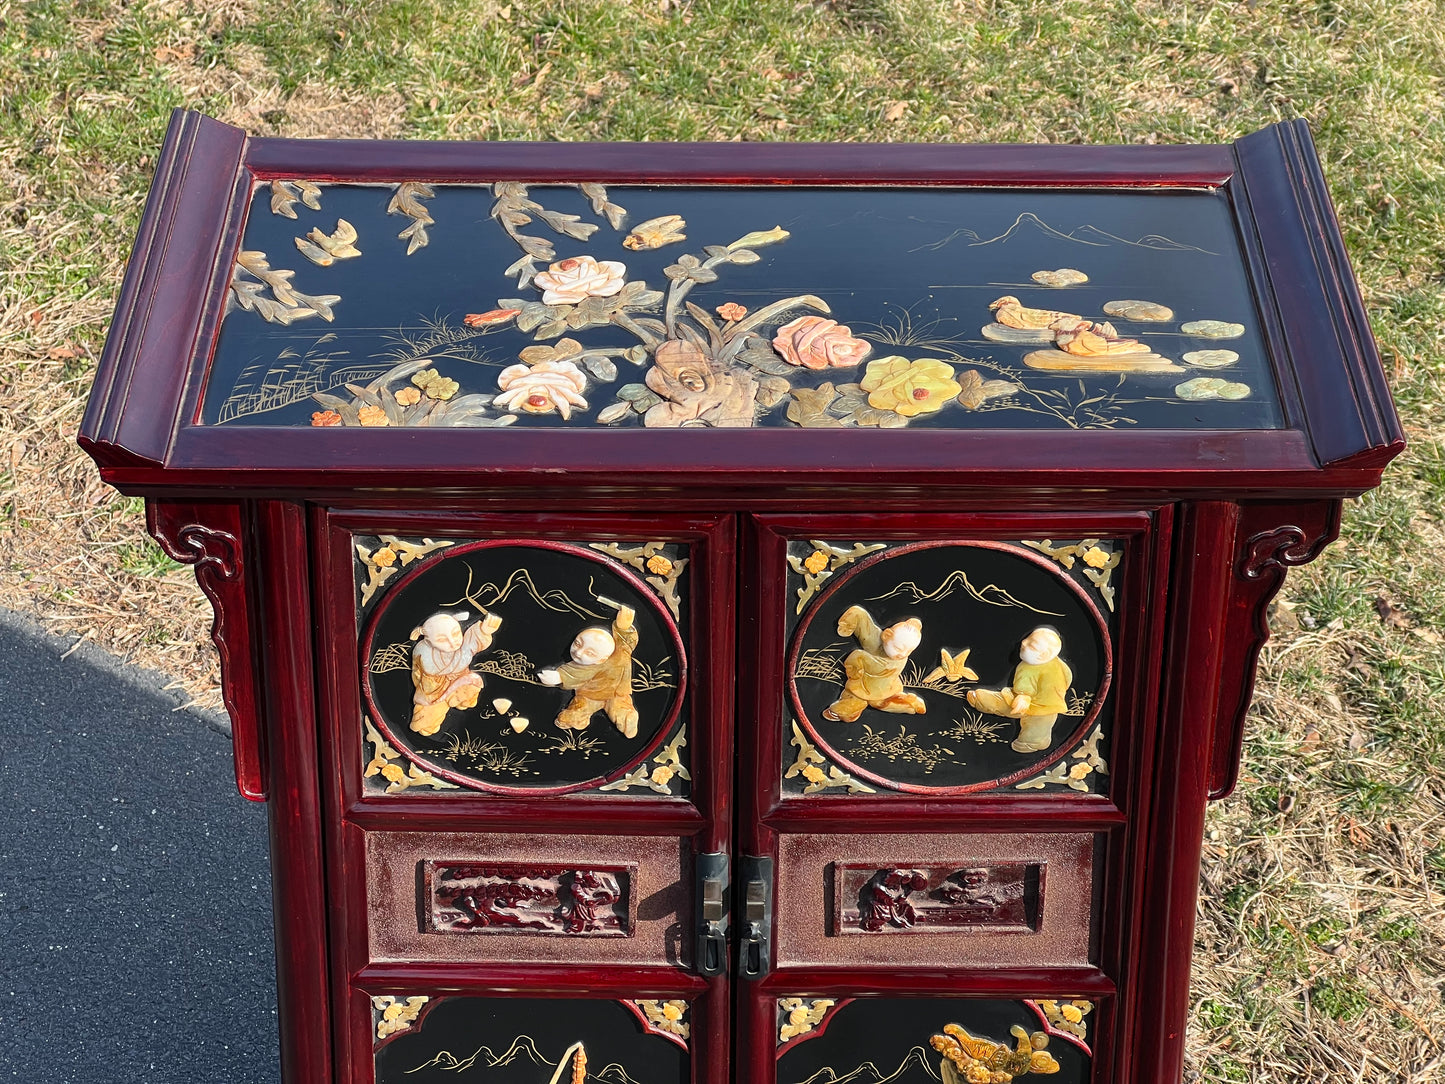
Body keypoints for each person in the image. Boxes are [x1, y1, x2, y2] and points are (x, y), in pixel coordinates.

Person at [538, 600, 640, 738]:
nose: (579, 653)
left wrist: (558, 677)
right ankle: (624, 718)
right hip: (610, 695)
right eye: (577, 643)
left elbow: (572, 673)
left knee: (589, 709)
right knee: (579, 711)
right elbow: (626, 642)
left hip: (596, 695)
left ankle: (627, 720)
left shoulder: (590, 666)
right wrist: (624, 627)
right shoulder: (623, 652)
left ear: (601, 659)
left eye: (590, 653)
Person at [966, 626, 1071, 753]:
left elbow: (1024, 689)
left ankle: (1030, 743)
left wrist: (1024, 697)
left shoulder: (1028, 668)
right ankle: (981, 700)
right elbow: (1068, 678)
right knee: (1010, 704)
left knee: (1032, 725)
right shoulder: (1059, 665)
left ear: (1045, 655)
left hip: (1036, 706)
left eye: (1032, 645)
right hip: (1044, 706)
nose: (1023, 643)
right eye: (1027, 639)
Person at [822, 605, 926, 723]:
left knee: (874, 702)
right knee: (864, 701)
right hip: (875, 684)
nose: (902, 654)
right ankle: (909, 702)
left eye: (909, 651)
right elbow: (866, 627)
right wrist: (851, 620)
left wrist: (857, 661)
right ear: (886, 635)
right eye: (898, 648)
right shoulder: (878, 641)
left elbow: (860, 658)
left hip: (878, 688)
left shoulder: (894, 662)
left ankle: (910, 703)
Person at [409, 610, 503, 736]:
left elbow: (472, 643)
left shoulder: (463, 646)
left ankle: (459, 701)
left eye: (456, 634)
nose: (453, 642)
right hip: (434, 691)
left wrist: (483, 631)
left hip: (459, 680)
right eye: (442, 640)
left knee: (474, 683)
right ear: (428, 641)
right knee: (427, 722)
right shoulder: (424, 652)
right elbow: (425, 674)